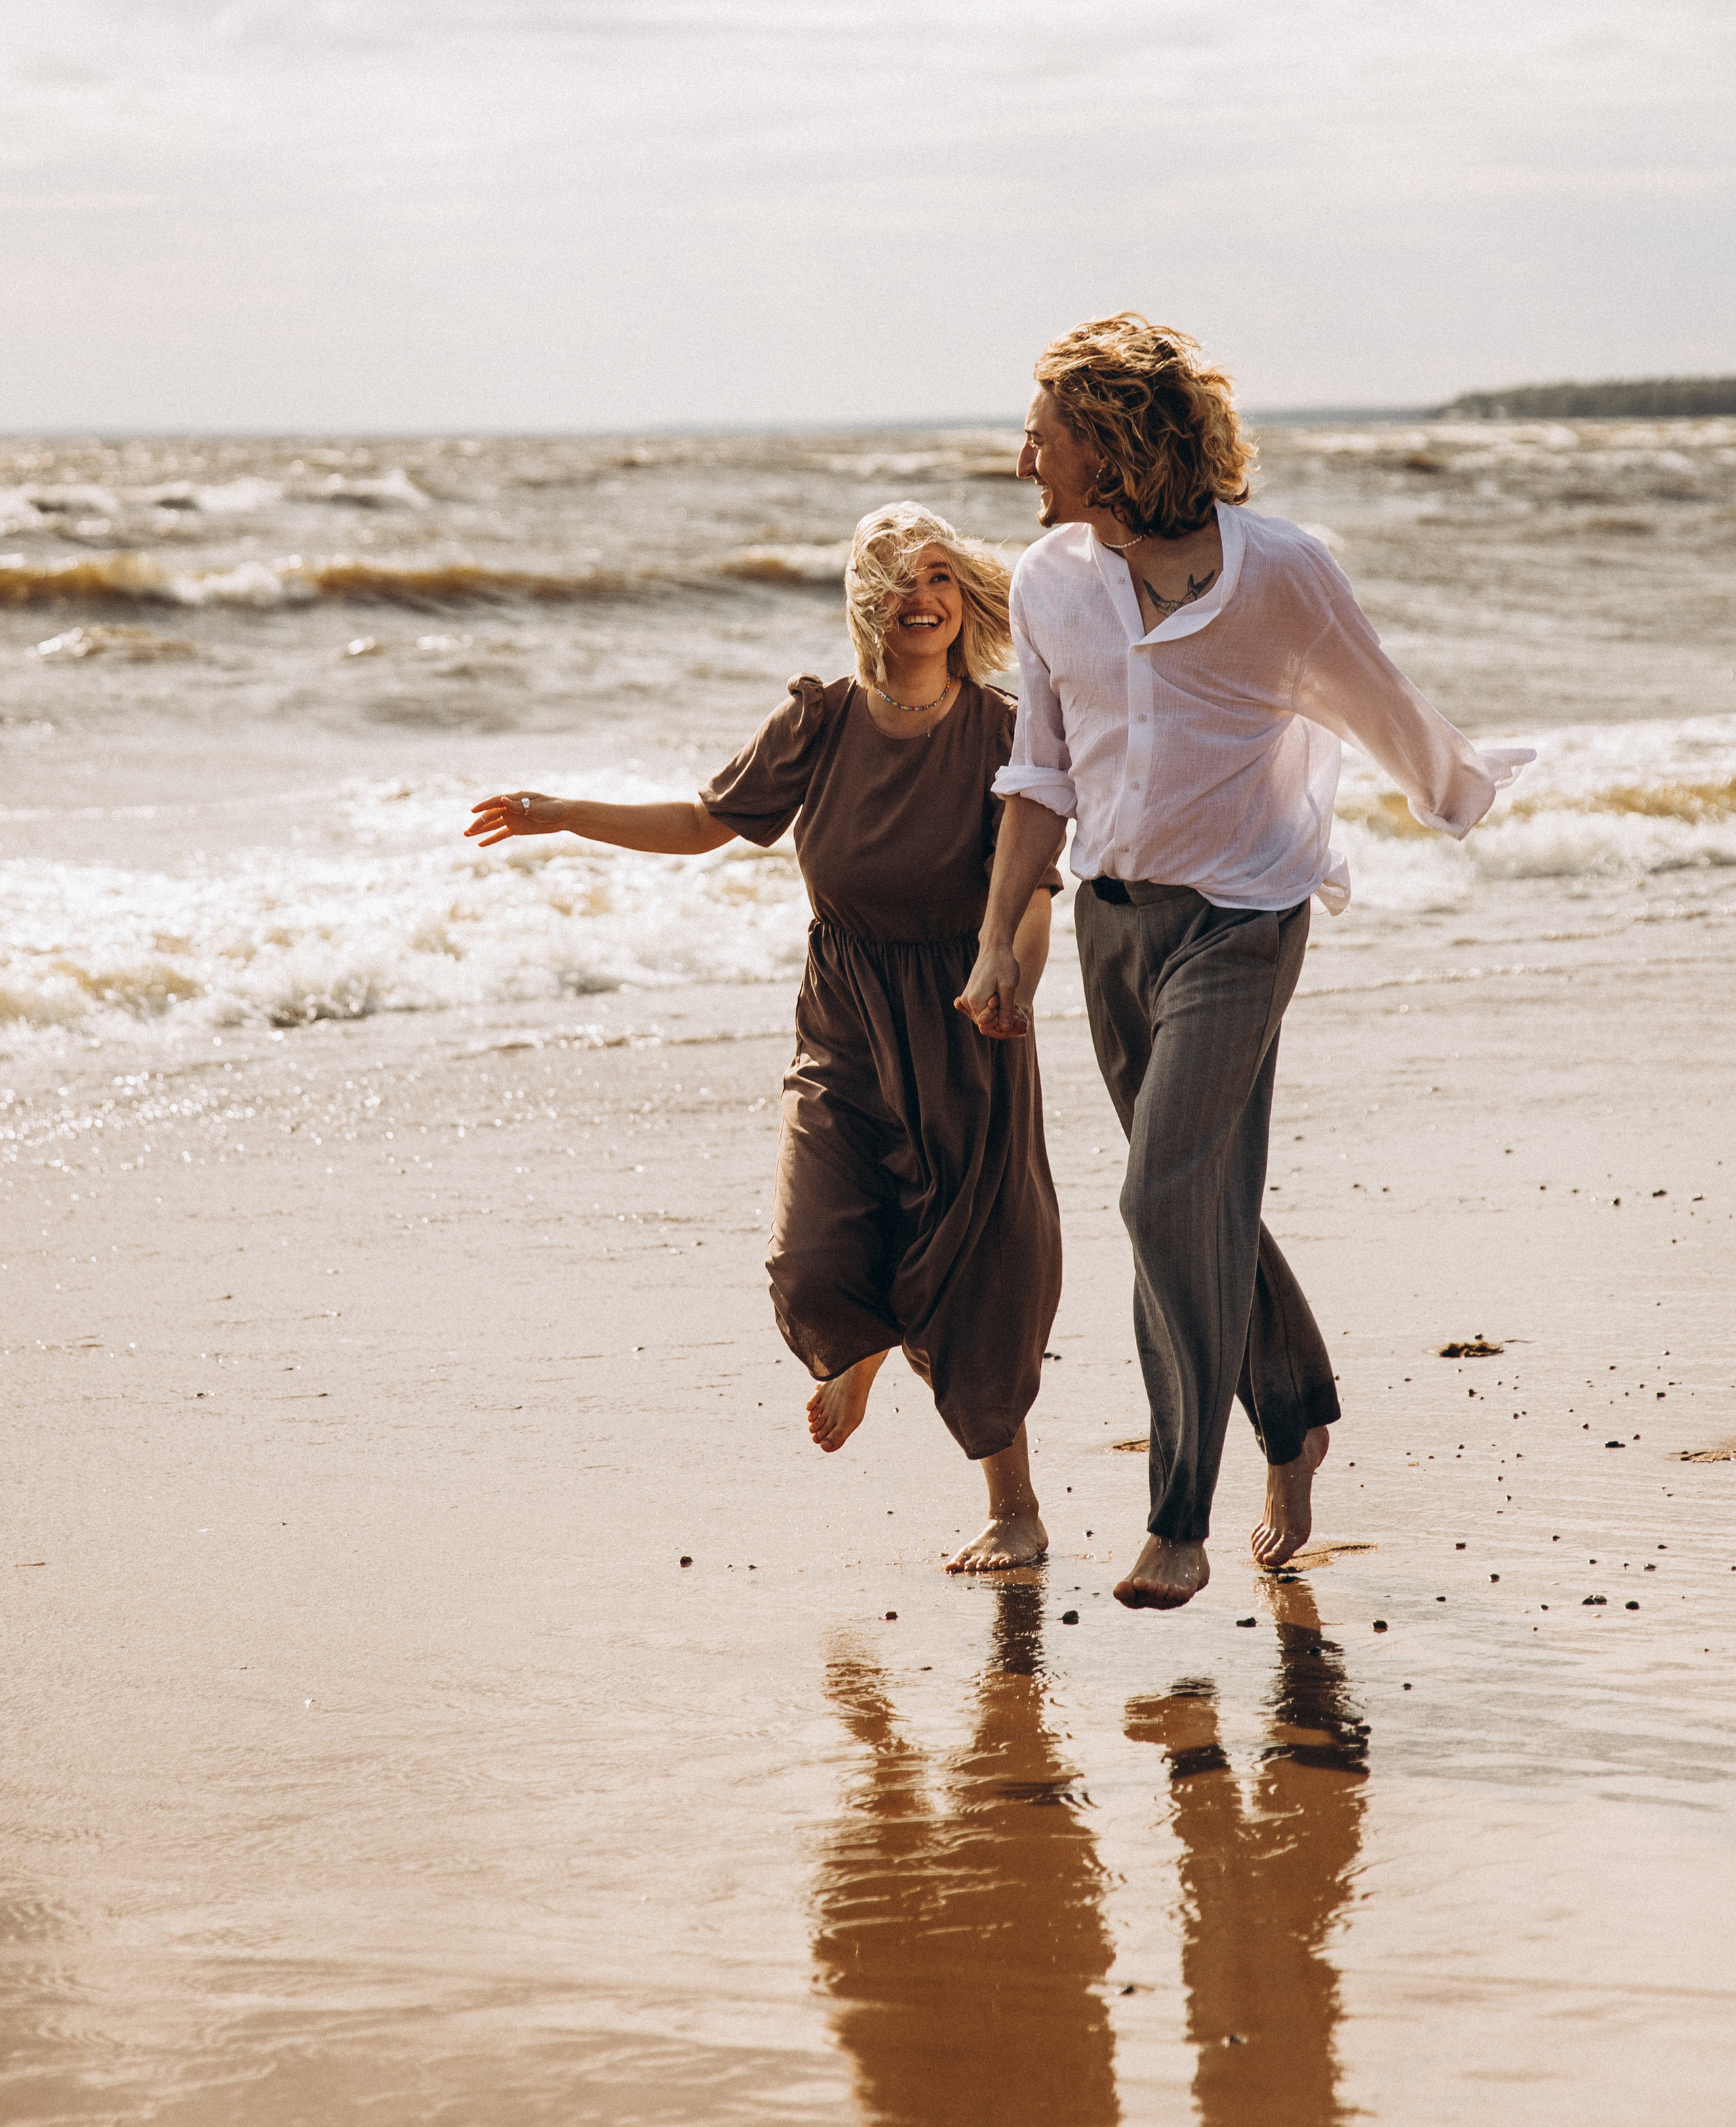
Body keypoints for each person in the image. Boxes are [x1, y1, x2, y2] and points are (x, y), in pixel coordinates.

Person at [958, 313, 1533, 1612]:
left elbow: (1377, 697)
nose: (1022, 462)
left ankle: (1176, 1518)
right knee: (1199, 1197)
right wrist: (1003, 938)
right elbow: (1039, 776)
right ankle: (1297, 1415)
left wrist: (1461, 789)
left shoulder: (1280, 570)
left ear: (1108, 444)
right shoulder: (1047, 582)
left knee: (1161, 1197)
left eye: (1041, 437)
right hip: (1112, 924)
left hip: (1244, 917)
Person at [467, 503, 1064, 1574]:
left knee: (979, 1275)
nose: (917, 597)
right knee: (811, 1253)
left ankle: (1014, 1509)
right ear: (864, 603)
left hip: (966, 1016)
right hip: (842, 1017)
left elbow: (1028, 893)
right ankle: (864, 1343)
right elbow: (704, 823)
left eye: (936, 576)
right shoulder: (820, 722)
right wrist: (562, 811)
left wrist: (1009, 969)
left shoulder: (1003, 734)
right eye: (893, 581)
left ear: (963, 598)